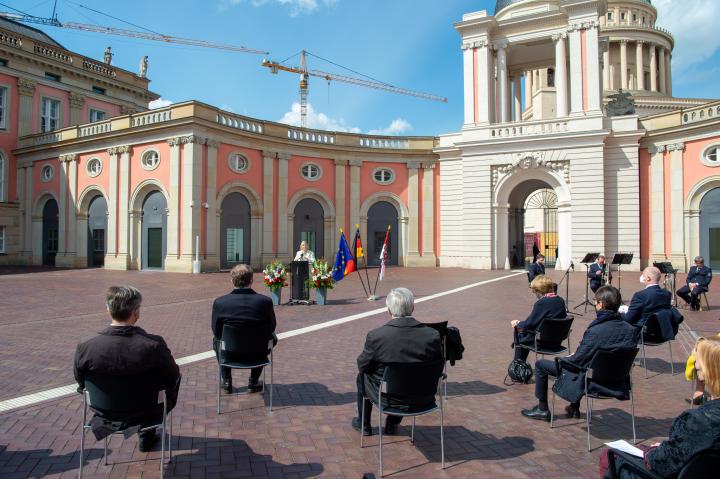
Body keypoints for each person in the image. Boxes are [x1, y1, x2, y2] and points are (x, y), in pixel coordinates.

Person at [74, 286, 181, 452]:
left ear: (108, 309)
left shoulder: (86, 345)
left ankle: (146, 432)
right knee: (170, 381)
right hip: (146, 409)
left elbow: (80, 381)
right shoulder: (153, 345)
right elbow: (172, 376)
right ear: (136, 311)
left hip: (104, 409)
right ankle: (147, 434)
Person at [600, 336, 720, 478]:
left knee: (607, 457)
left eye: (697, 361)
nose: (694, 365)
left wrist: (654, 452)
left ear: (707, 370)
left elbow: (662, 464)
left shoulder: (697, 421)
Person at [521, 286, 637, 422]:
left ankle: (542, 409)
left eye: (596, 302)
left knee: (541, 365)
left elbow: (577, 361)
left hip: (594, 380)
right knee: (588, 363)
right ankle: (574, 407)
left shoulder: (596, 330)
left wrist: (565, 359)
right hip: (619, 380)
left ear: (601, 304)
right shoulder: (631, 330)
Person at [353, 287, 443, 436]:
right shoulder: (432, 335)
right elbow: (437, 365)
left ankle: (365, 425)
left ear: (388, 310)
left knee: (362, 377)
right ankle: (393, 422)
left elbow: (362, 366)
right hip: (424, 396)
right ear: (413, 308)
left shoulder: (377, 336)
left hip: (390, 398)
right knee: (407, 378)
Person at [211, 264, 277, 394]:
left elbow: (216, 330)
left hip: (231, 352)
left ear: (232, 280)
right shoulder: (265, 302)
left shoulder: (220, 302)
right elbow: (272, 326)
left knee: (217, 340)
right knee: (271, 338)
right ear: (251, 280)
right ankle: (253, 380)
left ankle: (226, 381)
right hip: (257, 353)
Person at [511, 275, 567, 363]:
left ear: (539, 291)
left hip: (543, 342)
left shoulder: (541, 303)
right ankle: (519, 363)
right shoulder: (561, 300)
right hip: (557, 341)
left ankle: (518, 365)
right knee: (523, 329)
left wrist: (517, 323)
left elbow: (530, 323)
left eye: (534, 291)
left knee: (520, 331)